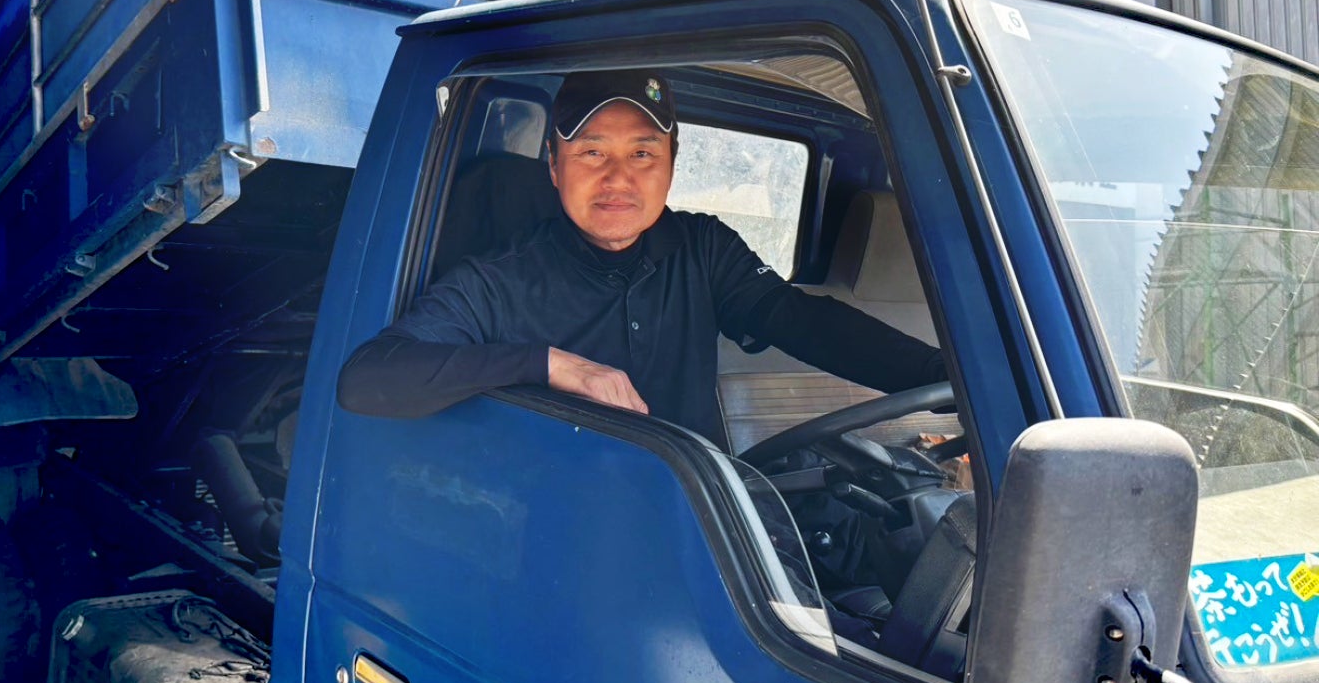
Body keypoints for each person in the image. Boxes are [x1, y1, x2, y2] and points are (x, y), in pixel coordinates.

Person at [336, 68, 946, 449]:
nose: (618, 180)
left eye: (643, 154)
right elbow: (368, 379)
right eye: (592, 153)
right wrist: (547, 364)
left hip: (706, 526)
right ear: (554, 166)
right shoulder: (499, 280)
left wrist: (946, 381)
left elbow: (804, 322)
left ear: (673, 165)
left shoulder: (703, 247)